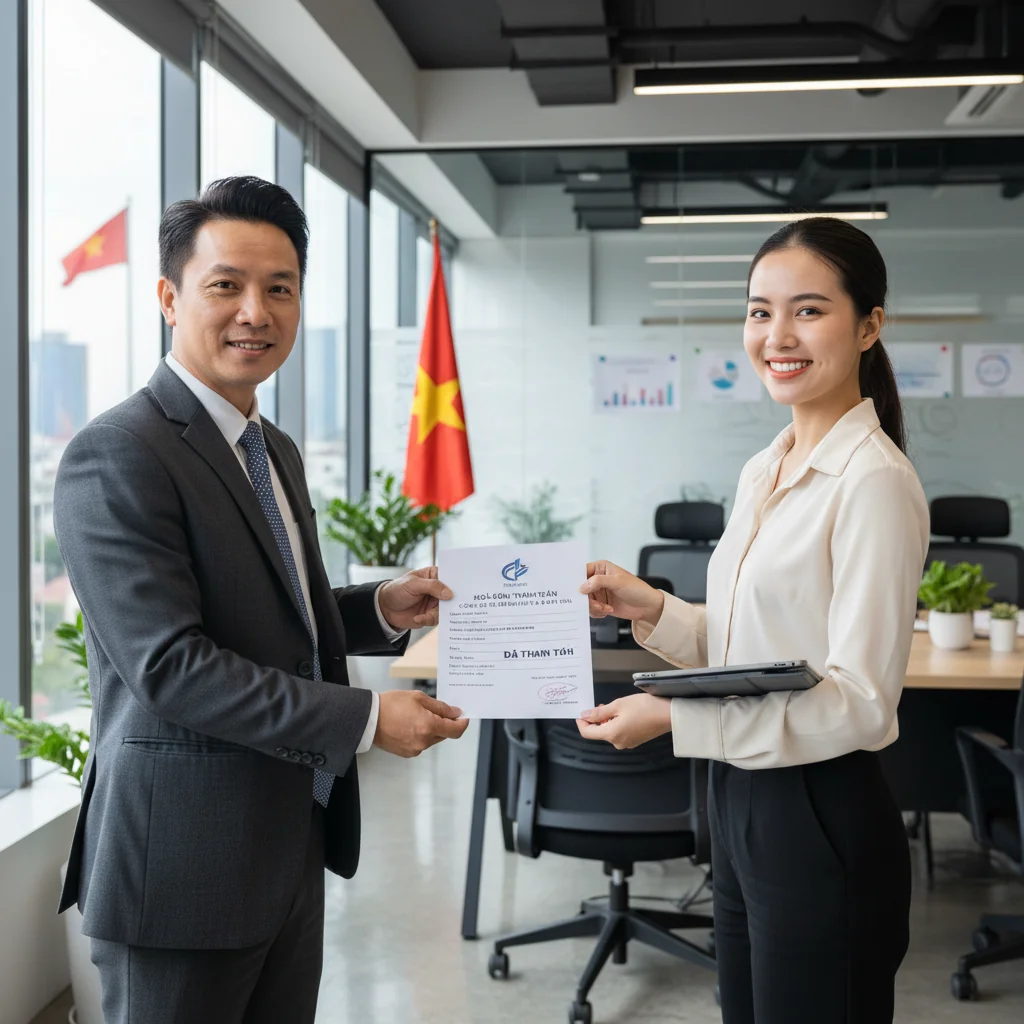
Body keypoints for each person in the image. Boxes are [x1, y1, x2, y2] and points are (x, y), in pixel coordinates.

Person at [53, 176, 469, 1024]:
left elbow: (279, 614)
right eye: (226, 286)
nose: (256, 311)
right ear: (171, 297)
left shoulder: (268, 445)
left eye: (279, 288)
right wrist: (364, 720)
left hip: (285, 846)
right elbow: (172, 667)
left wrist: (383, 605)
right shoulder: (118, 452)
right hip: (181, 865)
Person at [576, 217, 929, 1023]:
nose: (778, 335)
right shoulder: (765, 465)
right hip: (738, 800)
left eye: (808, 310)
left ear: (869, 325)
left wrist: (677, 719)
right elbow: (757, 647)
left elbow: (858, 700)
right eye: (760, 311)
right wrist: (656, 608)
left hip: (817, 807)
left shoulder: (872, 481)